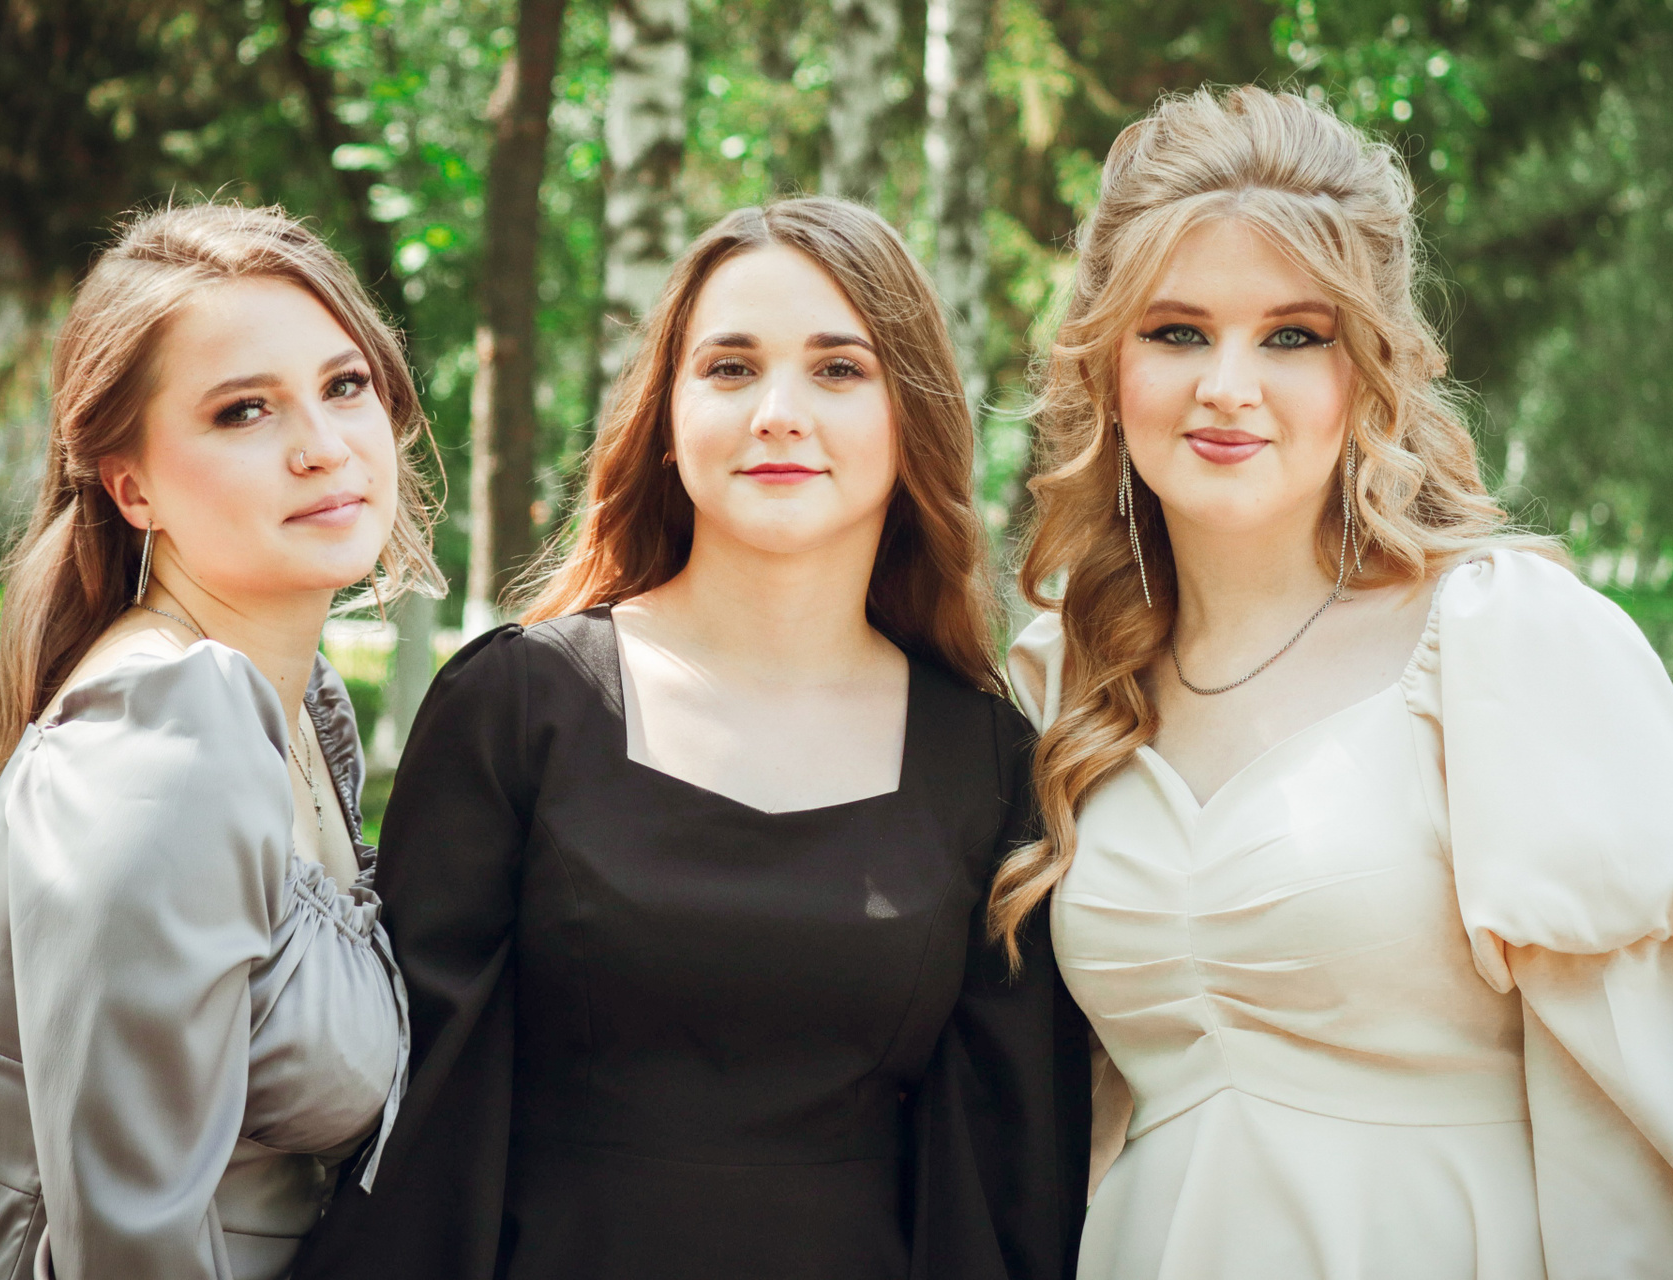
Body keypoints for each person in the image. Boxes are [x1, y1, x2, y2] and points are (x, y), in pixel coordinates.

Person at [997, 86, 1673, 1280]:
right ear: (1108, 364)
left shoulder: (1503, 642)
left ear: (1368, 372)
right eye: (1177, 332)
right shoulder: (1066, 676)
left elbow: (1645, 1140)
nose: (1228, 385)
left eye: (1292, 336)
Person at [296, 196, 1090, 1280]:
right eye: (729, 367)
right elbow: (417, 1123)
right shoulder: (517, 707)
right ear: (666, 418)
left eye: (838, 369)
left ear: (912, 415)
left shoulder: (989, 762)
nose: (778, 412)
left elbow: (1004, 1177)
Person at [0, 202, 442, 1280]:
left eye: (344, 385)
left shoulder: (297, 716)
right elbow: (130, 1244)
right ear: (133, 485)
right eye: (243, 410)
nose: (323, 447)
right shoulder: (165, 727)